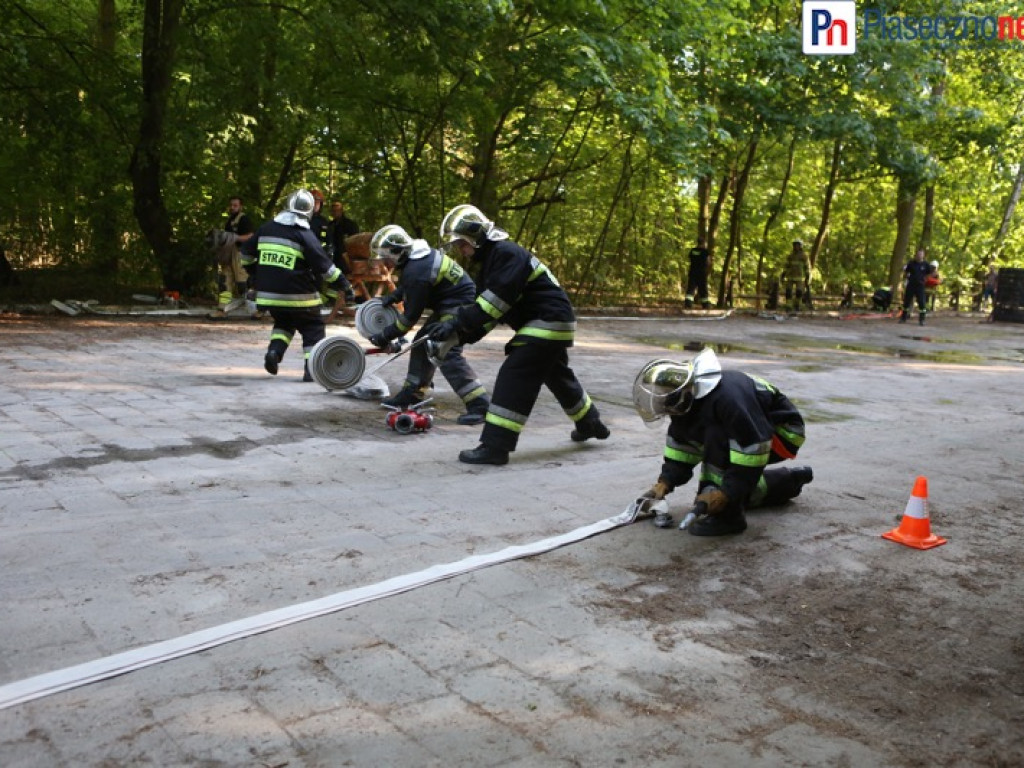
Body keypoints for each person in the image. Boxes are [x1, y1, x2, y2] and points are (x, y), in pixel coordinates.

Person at [430, 204, 610, 465]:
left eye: (462, 244)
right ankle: (590, 423)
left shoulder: (506, 254)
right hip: (551, 321)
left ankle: (495, 446)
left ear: (476, 238)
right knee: (557, 374)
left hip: (547, 320)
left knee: (515, 374)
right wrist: (457, 335)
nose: (461, 251)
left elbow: (494, 304)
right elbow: (488, 312)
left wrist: (456, 322)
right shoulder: (493, 263)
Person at [632, 348, 813, 537]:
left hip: (781, 433)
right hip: (756, 432)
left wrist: (722, 495)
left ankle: (728, 518)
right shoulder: (689, 399)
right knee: (738, 488)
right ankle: (792, 480)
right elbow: (683, 447)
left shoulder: (727, 400)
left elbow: (751, 451)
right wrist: (666, 481)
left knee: (717, 441)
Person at [366, 225, 490, 425]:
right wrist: (395, 296)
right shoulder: (417, 257)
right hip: (450, 304)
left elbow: (409, 318)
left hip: (460, 306)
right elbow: (414, 286)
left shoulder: (417, 269)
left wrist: (385, 335)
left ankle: (480, 406)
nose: (385, 263)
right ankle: (413, 393)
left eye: (386, 258)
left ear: (397, 252)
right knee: (422, 342)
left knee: (444, 349)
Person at [239, 189, 353, 381]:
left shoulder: (266, 228)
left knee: (284, 322)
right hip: (299, 297)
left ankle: (274, 352)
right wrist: (345, 286)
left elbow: (245, 254)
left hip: (269, 297)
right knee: (313, 327)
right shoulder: (304, 235)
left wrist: (256, 273)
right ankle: (311, 370)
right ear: (308, 211)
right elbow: (326, 267)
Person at [218, 196, 254, 312]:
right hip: (228, 253)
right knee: (225, 280)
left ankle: (251, 309)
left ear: (240, 206)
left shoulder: (244, 219)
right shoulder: (229, 220)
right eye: (231, 205)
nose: (232, 208)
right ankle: (223, 307)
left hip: (240, 253)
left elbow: (250, 236)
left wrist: (235, 237)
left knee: (242, 282)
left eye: (235, 205)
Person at [899, 248, 933, 325]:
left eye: (921, 254)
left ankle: (922, 320)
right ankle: (903, 318)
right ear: (916, 255)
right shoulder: (911, 263)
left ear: (923, 255)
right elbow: (906, 272)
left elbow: (929, 273)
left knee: (922, 303)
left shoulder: (926, 264)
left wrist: (925, 280)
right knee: (906, 302)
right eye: (918, 254)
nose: (919, 256)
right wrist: (907, 278)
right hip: (911, 285)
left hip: (920, 286)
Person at [328, 200, 361, 275]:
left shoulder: (350, 224)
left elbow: (355, 241)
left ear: (342, 211)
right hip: (332, 259)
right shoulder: (330, 225)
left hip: (346, 260)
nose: (335, 212)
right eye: (333, 210)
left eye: (337, 210)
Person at [683, 237, 711, 309]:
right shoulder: (705, 252)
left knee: (691, 288)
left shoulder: (693, 251)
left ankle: (688, 304)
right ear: (704, 243)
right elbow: (708, 262)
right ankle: (705, 305)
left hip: (693, 272)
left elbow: (690, 259)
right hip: (702, 273)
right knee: (703, 289)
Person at [784, 240, 810, 311]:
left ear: (800, 246)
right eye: (795, 245)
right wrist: (783, 274)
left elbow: (807, 266)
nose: (796, 247)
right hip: (790, 276)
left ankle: (797, 304)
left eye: (797, 245)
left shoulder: (804, 256)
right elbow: (786, 265)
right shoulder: (790, 256)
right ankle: (788, 305)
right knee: (788, 291)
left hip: (800, 277)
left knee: (799, 291)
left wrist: (808, 276)